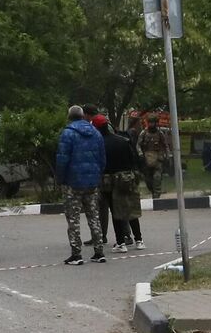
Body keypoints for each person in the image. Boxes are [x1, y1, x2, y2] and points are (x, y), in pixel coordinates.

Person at [55, 105, 107, 264]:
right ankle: (99, 252)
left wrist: (61, 178)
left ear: (69, 116)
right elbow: (102, 158)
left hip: (73, 181)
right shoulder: (96, 134)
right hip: (92, 182)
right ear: (83, 116)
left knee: (73, 219)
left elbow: (62, 159)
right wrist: (98, 175)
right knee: (94, 217)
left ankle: (76, 254)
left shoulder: (68, 133)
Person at [102, 120, 145, 251]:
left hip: (111, 180)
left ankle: (120, 242)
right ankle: (139, 240)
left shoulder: (101, 143)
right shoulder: (124, 141)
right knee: (131, 210)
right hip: (128, 178)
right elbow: (134, 159)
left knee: (116, 211)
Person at [90, 112, 114, 241]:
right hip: (115, 178)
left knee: (102, 208)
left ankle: (101, 235)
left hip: (102, 178)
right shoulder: (117, 140)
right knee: (116, 207)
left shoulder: (97, 142)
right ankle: (126, 235)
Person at [139, 119, 168, 196]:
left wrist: (166, 156)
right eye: (150, 122)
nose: (151, 124)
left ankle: (156, 195)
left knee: (157, 178)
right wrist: (140, 154)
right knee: (148, 180)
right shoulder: (143, 133)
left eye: (153, 122)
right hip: (147, 159)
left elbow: (165, 145)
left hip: (158, 159)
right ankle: (152, 191)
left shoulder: (160, 134)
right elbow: (138, 145)